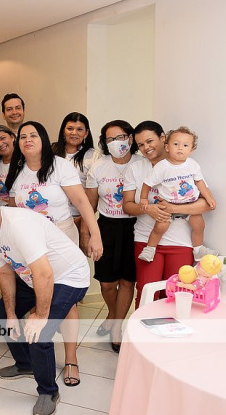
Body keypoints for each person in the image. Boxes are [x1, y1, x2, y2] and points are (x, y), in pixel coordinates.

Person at [0, 186, 90, 415]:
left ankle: (48, 392)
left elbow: (44, 273)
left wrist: (41, 315)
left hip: (69, 277)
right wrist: (10, 313)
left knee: (39, 332)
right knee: (2, 314)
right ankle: (26, 364)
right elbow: (5, 272)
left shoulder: (19, 225)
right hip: (33, 277)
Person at [5, 120, 103, 387]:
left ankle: (71, 359)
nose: (27, 139)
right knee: (39, 295)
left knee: (66, 301)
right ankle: (35, 356)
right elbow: (13, 212)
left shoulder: (59, 166)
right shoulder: (17, 171)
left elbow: (82, 202)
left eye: (33, 135)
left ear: (44, 139)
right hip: (31, 245)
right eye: (22, 136)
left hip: (61, 241)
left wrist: (94, 234)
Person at [122, 121, 211, 308]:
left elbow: (205, 204)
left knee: (175, 295)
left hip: (181, 242)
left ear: (163, 138)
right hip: (146, 240)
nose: (146, 148)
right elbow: (128, 206)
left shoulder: (187, 166)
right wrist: (148, 208)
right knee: (147, 292)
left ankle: (170, 328)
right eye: (140, 145)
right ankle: (142, 328)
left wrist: (172, 208)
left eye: (150, 141)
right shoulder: (136, 169)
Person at [84, 119, 141, 353]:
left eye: (121, 137)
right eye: (110, 139)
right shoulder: (99, 167)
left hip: (136, 227)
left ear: (130, 138)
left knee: (128, 280)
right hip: (106, 227)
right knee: (107, 282)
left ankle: (116, 325)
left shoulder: (142, 163)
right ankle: (112, 314)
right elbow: (89, 206)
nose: (116, 143)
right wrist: (87, 235)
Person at [138, 126, 217, 262]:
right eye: (176, 144)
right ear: (167, 147)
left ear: (191, 149)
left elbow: (199, 182)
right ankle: (150, 249)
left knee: (199, 225)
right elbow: (147, 183)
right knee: (159, 228)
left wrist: (208, 197)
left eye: (185, 145)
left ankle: (198, 249)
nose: (180, 148)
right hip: (168, 204)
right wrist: (143, 198)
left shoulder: (192, 165)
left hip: (190, 204)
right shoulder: (162, 167)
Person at [52, 112, 100, 226]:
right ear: (63, 131)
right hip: (53, 216)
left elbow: (95, 193)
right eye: (70, 128)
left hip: (80, 217)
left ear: (86, 133)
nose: (74, 133)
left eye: (79, 129)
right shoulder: (51, 152)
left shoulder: (94, 156)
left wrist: (81, 220)